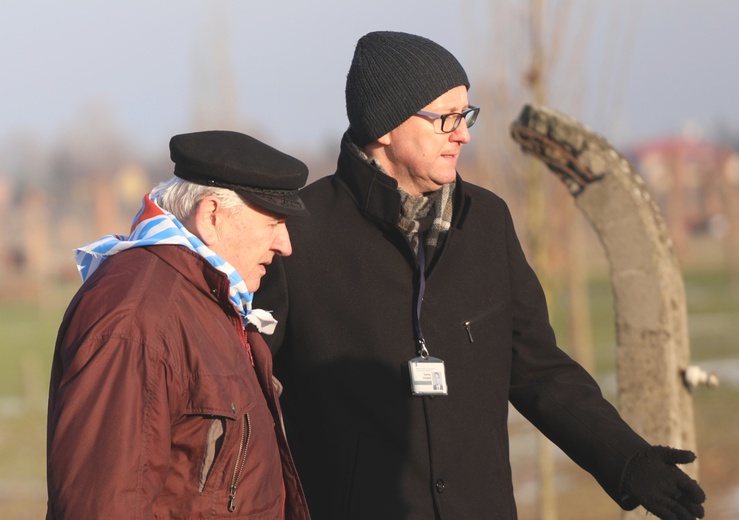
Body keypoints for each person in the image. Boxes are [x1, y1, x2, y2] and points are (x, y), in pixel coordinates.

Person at [253, 31, 706, 519]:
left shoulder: (488, 222)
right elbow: (245, 392)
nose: (464, 134)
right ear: (385, 126)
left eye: (466, 116)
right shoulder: (297, 236)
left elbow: (539, 370)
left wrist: (627, 460)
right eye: (446, 118)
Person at [46, 130, 311, 519]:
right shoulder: (138, 317)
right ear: (212, 216)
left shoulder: (208, 299)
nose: (285, 244)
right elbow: (103, 504)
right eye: (273, 222)